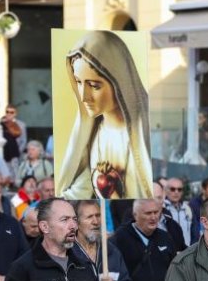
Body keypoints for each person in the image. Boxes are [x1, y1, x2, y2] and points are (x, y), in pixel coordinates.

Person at [57, 30, 152, 200]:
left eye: (94, 85)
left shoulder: (144, 130)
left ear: (119, 82)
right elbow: (84, 187)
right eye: (78, 82)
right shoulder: (93, 133)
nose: (84, 96)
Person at [163, 177, 196, 247]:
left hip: (187, 253)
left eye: (179, 189)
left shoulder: (188, 209)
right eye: (172, 189)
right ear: (166, 191)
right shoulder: (161, 209)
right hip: (167, 254)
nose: (176, 192)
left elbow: (195, 234)